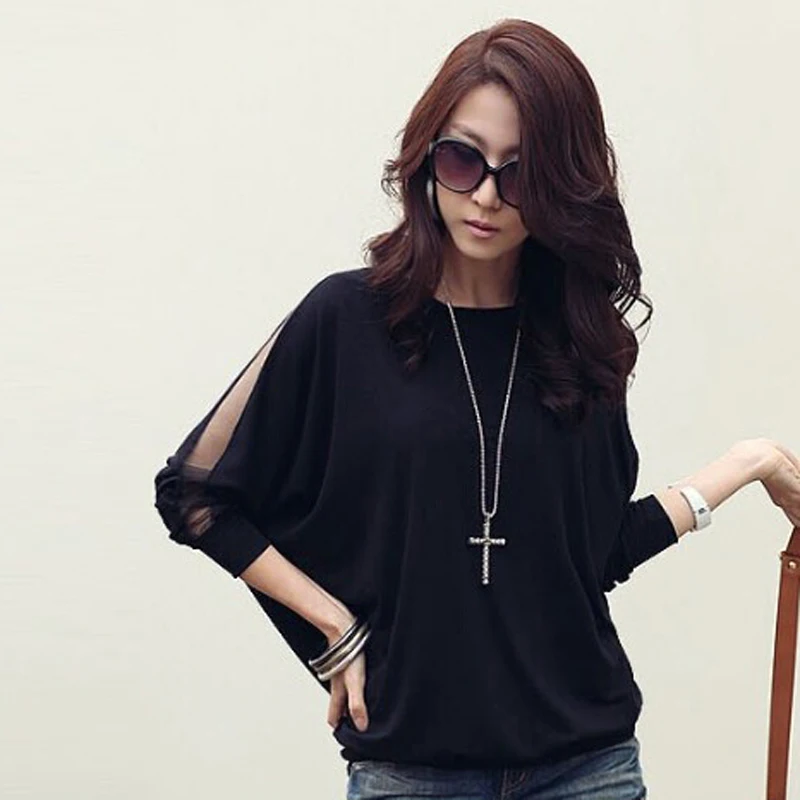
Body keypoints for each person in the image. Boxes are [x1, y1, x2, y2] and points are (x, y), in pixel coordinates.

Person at [153, 18, 800, 800]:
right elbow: (192, 494)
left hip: (587, 768)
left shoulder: (579, 339)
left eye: (520, 175)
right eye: (463, 160)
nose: (486, 196)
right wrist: (332, 624)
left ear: (560, 185)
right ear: (426, 157)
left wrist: (747, 464)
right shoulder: (344, 319)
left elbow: (594, 556)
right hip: (410, 772)